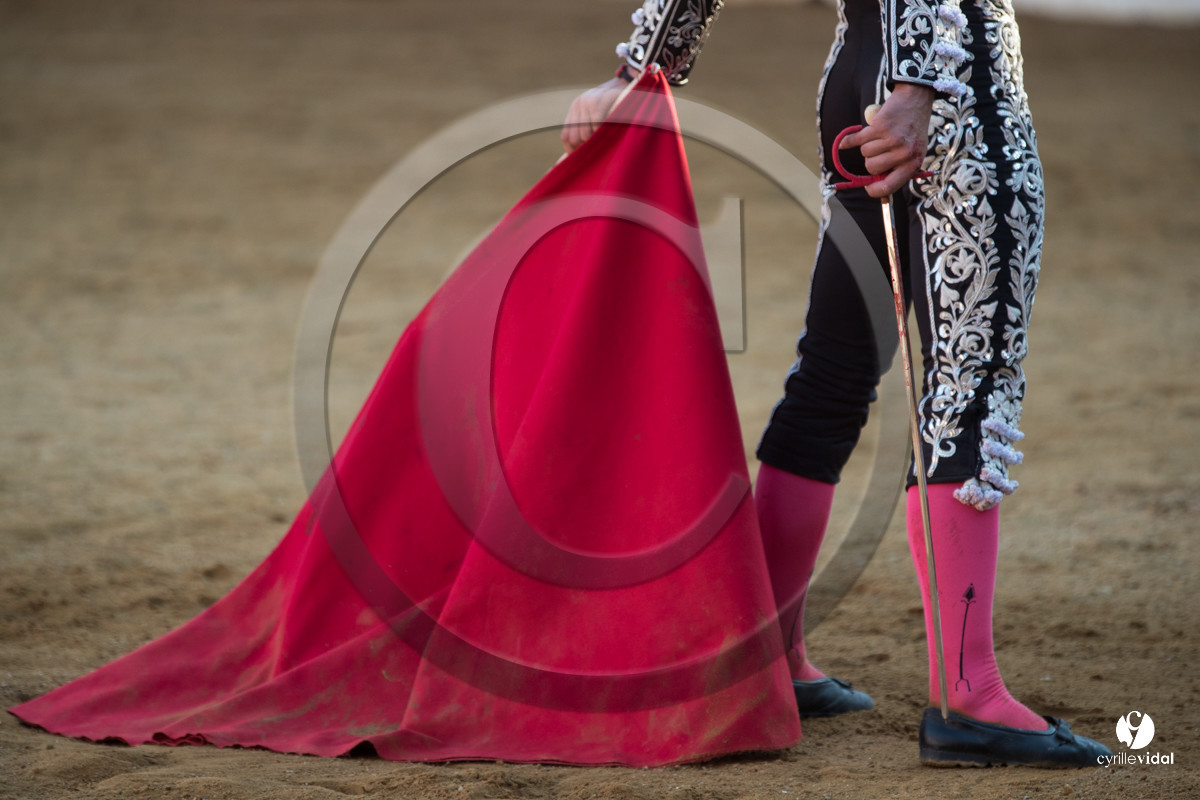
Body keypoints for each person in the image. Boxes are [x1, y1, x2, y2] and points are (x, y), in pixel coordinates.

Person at [563, 0, 1111, 768]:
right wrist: (921, 84)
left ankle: (765, 659)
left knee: (831, 377)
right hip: (955, 92)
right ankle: (970, 693)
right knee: (968, 387)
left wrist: (640, 67)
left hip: (854, 83)